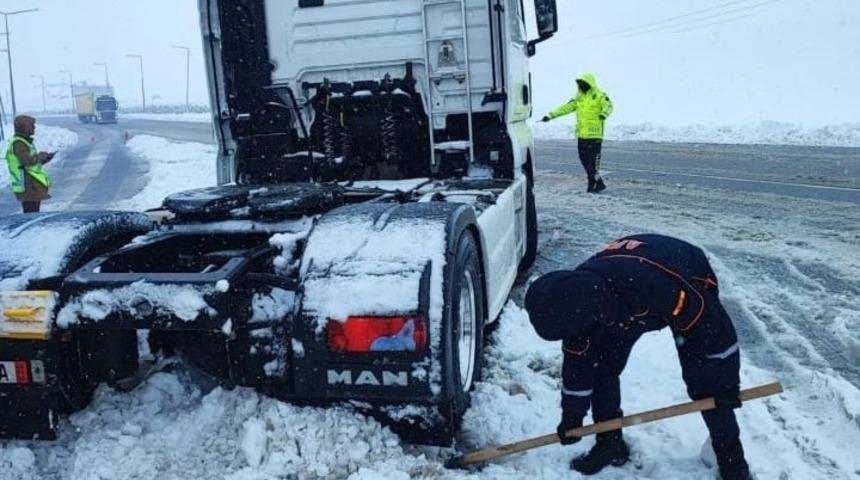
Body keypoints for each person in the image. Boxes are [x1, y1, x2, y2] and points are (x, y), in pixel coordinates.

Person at [524, 234, 751, 480]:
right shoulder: (575, 300)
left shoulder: (659, 289)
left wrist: (727, 384)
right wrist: (573, 416)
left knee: (706, 385)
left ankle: (732, 463)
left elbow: (715, 331)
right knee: (603, 369)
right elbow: (578, 362)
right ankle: (610, 444)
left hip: (683, 272)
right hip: (621, 293)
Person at [541, 73, 613, 193]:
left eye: (583, 83)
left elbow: (609, 105)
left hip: (595, 136)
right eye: (579, 84)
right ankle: (599, 183)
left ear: (589, 83)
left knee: (593, 165)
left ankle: (592, 187)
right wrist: (551, 115)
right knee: (584, 161)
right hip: (582, 135)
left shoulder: (599, 95)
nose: (581, 86)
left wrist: (604, 114)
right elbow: (566, 108)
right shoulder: (578, 98)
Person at [5, 115, 55, 213]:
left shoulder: (25, 142)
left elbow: (32, 163)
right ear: (24, 127)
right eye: (32, 126)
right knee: (31, 214)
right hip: (27, 186)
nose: (34, 128)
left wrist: (44, 159)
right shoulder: (19, 143)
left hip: (31, 185)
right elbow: (26, 161)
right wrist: (40, 156)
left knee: (33, 213)